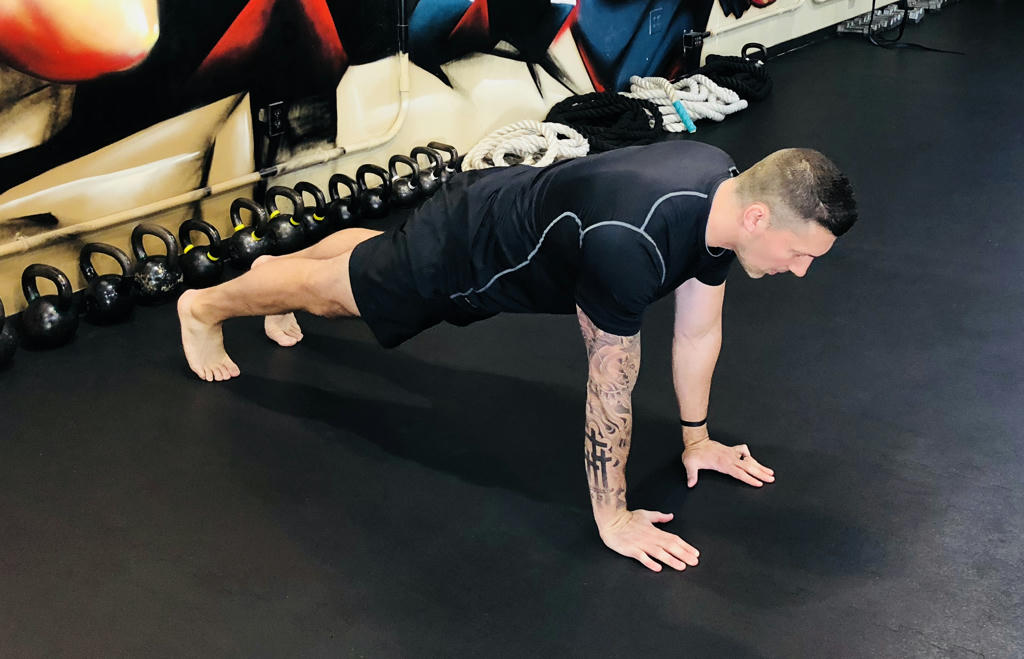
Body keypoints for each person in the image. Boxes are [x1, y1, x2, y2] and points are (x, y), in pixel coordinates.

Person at [178, 140, 857, 572]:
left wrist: (697, 439)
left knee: (371, 260)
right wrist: (614, 517)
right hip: (471, 252)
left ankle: (275, 273)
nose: (800, 271)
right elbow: (610, 387)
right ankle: (205, 307)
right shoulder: (631, 244)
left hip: (505, 202)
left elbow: (697, 331)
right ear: (760, 219)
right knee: (340, 296)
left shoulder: (724, 191)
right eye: (801, 253)